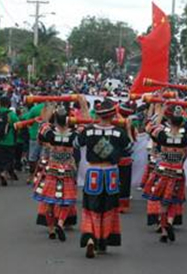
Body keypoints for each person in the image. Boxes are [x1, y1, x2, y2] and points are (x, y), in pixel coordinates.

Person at [75, 99, 131, 259]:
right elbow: (129, 149)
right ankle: (103, 240)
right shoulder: (119, 132)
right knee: (108, 208)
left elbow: (76, 144)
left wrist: (82, 130)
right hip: (111, 173)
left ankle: (90, 238)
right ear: (113, 114)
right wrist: (126, 129)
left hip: (93, 172)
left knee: (91, 207)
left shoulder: (89, 130)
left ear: (98, 114)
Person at [143, 103, 187, 243]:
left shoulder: (162, 136)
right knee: (174, 201)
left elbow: (151, 128)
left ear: (168, 121)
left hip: (162, 170)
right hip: (177, 172)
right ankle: (169, 221)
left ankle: (163, 229)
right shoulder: (184, 139)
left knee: (162, 202)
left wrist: (161, 112)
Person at [33, 105, 79, 242]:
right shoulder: (74, 134)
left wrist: (49, 109)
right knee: (66, 200)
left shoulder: (49, 132)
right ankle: (60, 223)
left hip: (52, 167)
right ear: (67, 119)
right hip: (68, 168)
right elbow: (82, 134)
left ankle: (51, 229)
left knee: (49, 201)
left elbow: (40, 137)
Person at [117, 101, 138, 213]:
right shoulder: (130, 128)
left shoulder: (113, 127)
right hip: (123, 158)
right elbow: (131, 146)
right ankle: (122, 205)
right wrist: (129, 130)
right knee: (124, 182)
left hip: (114, 159)